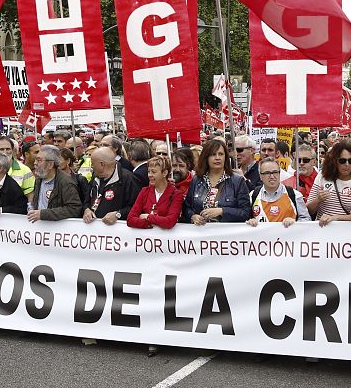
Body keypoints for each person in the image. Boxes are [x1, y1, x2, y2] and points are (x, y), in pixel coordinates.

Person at [126, 155, 183, 357]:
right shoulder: (144, 191)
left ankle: (162, 336)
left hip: (166, 253)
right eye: (149, 171)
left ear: (165, 173)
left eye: (153, 172)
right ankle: (149, 335)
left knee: (163, 293)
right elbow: (131, 219)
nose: (149, 175)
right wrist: (152, 222)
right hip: (145, 253)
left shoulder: (175, 194)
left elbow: (170, 221)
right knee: (147, 291)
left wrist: (149, 217)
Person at [183, 139, 250, 225]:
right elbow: (186, 208)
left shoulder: (237, 181)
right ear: (206, 157)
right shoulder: (196, 180)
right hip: (201, 231)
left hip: (227, 232)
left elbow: (245, 212)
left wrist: (222, 211)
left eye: (221, 154)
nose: (217, 158)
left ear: (225, 157)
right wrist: (193, 216)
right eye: (213, 154)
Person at [306, 140, 351, 225]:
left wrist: (334, 218)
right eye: (342, 161)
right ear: (334, 161)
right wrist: (318, 199)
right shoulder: (322, 176)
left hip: (347, 230)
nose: (347, 164)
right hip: (322, 229)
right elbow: (308, 210)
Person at [246, 157, 310, 228]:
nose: (272, 176)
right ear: (261, 176)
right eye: (267, 173)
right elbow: (244, 221)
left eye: (275, 172)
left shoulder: (294, 195)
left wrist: (295, 223)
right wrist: (249, 222)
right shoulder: (252, 195)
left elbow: (306, 220)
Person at [83, 147, 139, 225]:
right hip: (94, 228)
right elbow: (87, 200)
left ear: (101, 164)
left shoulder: (128, 179)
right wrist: (87, 209)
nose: (91, 166)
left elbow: (137, 207)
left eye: (92, 163)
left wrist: (118, 214)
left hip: (118, 230)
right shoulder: (95, 178)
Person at [27, 145, 82, 222]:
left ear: (50, 164)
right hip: (39, 226)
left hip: (57, 227)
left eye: (39, 160)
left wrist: (43, 214)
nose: (35, 163)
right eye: (36, 160)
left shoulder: (66, 183)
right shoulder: (38, 180)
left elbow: (74, 209)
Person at [0, 136, 35, 203]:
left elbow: (30, 196)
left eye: (8, 149)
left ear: (12, 150)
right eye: (1, 149)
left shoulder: (25, 170)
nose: (5, 152)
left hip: (16, 208)